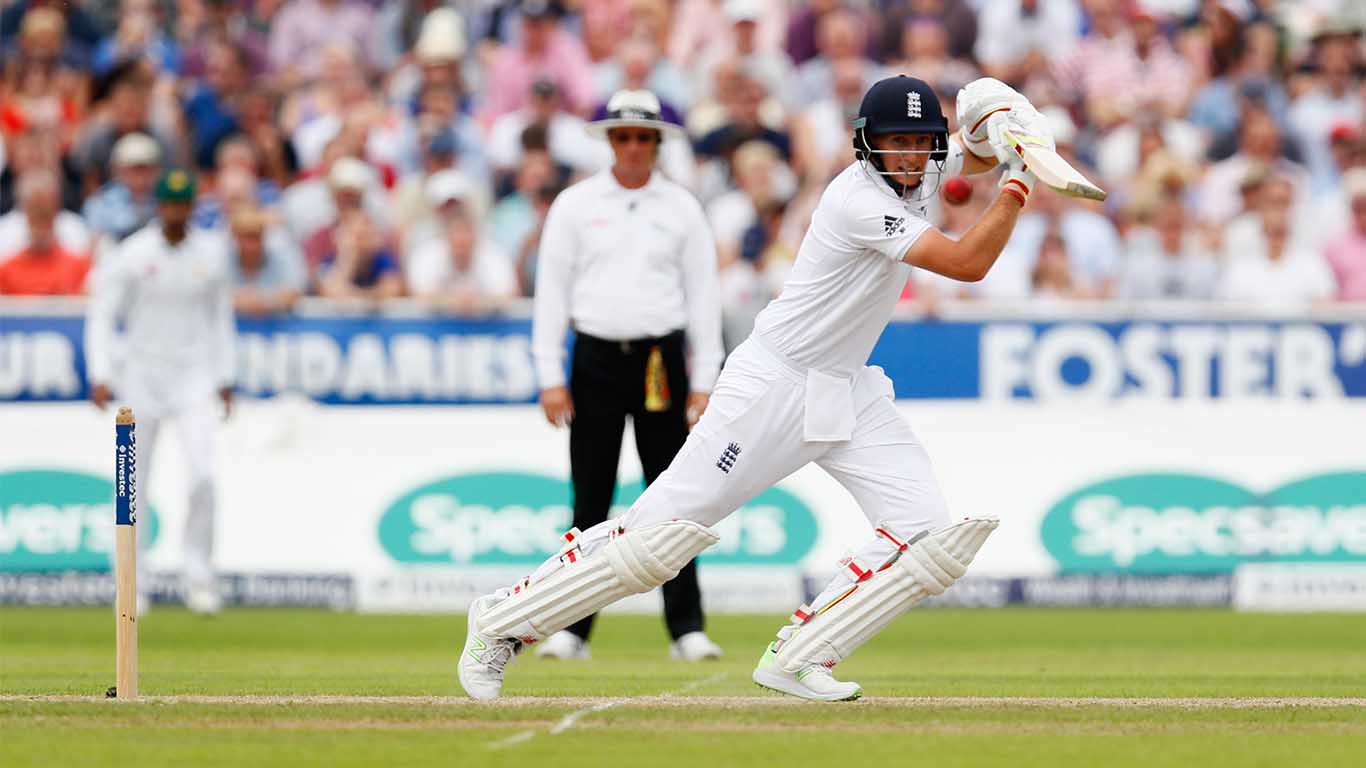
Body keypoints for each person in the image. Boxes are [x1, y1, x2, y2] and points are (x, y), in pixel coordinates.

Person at [460, 75, 1050, 701]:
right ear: (866, 144)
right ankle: (499, 623)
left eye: (921, 143)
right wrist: (1020, 180)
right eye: (894, 142)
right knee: (655, 541)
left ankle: (801, 656)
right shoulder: (856, 199)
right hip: (773, 384)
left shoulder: (922, 169)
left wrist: (1006, 131)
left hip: (847, 387)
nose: (909, 156)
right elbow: (966, 263)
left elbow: (972, 153)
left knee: (926, 534)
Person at [528, 89, 725, 663]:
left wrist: (705, 377)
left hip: (660, 360)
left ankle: (686, 628)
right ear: (610, 141)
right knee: (589, 497)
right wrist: (549, 373)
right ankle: (571, 629)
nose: (634, 147)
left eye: (643, 137)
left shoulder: (682, 207)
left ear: (658, 143)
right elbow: (552, 292)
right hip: (594, 356)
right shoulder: (575, 204)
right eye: (623, 137)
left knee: (672, 499)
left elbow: (704, 295)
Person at [84, 168, 235, 615]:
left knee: (203, 474)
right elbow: (102, 313)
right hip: (141, 377)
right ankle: (132, 582)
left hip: (194, 377)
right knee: (132, 482)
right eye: (169, 204)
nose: (176, 212)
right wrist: (100, 371)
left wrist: (226, 377)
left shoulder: (210, 253)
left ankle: (198, 576)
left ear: (191, 207)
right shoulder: (133, 254)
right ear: (159, 206)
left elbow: (221, 319)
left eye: (183, 204)